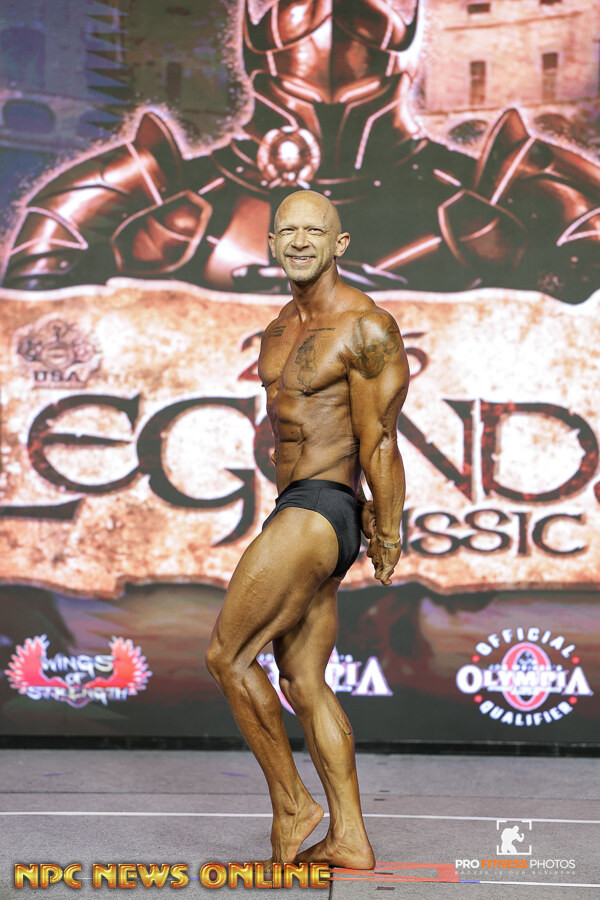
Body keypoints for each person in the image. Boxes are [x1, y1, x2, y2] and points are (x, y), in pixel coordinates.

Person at [205, 189, 409, 869]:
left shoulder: (366, 326)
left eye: (313, 231)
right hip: (298, 502)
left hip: (324, 507)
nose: (298, 241)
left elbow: (380, 438)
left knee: (228, 656)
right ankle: (349, 837)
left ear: (338, 244)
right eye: (285, 230)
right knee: (302, 679)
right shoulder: (277, 330)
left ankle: (293, 804)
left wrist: (387, 530)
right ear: (270, 243)